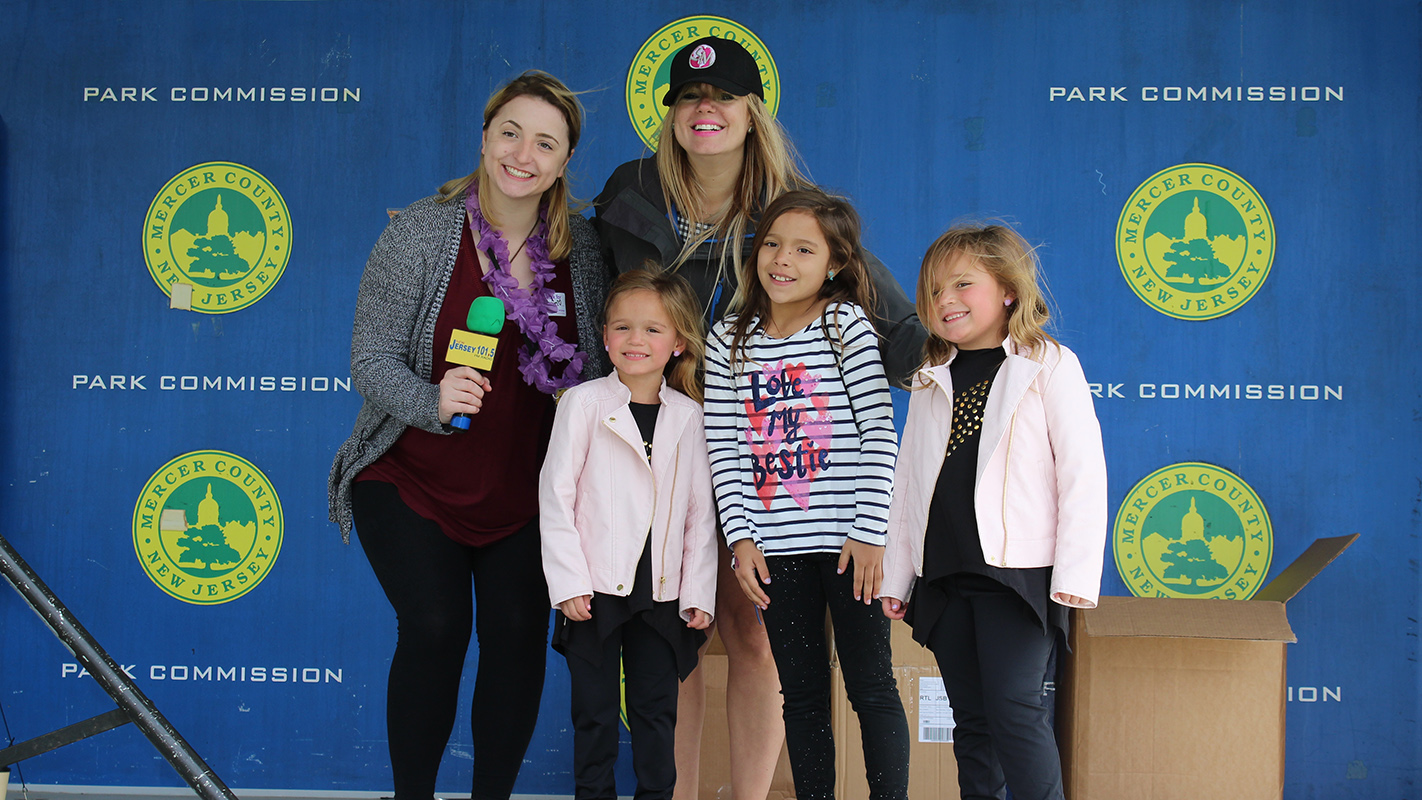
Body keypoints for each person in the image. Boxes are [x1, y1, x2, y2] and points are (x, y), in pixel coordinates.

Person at [593, 36, 927, 798]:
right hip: (660, 446)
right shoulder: (629, 191)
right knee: (669, 629)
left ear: (752, 112)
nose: (704, 110)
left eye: (724, 98)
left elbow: (900, 334)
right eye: (689, 98)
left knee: (754, 631)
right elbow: (595, 313)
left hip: (768, 455)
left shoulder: (787, 205)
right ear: (671, 112)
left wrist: (965, 360)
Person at [327, 70, 609, 800]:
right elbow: (370, 357)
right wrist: (429, 397)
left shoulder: (585, 250)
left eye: (545, 142)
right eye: (510, 132)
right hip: (412, 474)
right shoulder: (421, 230)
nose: (524, 153)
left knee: (517, 641)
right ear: (485, 139)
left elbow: (602, 368)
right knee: (435, 626)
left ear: (563, 160)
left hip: (525, 489)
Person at [880, 222, 1108, 800]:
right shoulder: (931, 378)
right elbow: (909, 485)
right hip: (947, 574)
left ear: (1008, 289)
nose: (945, 301)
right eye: (933, 290)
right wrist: (897, 574)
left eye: (963, 284)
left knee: (1014, 714)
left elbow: (1082, 474)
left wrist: (1076, 576)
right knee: (973, 723)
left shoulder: (1049, 364)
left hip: (1016, 576)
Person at [705, 189, 911, 800]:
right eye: (771, 244)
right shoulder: (727, 340)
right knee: (800, 693)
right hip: (775, 551)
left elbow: (879, 432)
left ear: (837, 264)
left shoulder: (844, 323)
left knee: (871, 685)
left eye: (803, 249)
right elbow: (725, 448)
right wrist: (740, 536)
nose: (781, 260)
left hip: (851, 546)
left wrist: (870, 531)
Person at [540, 268, 719, 800]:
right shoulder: (583, 404)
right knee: (593, 717)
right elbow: (557, 498)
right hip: (594, 591)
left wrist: (698, 593)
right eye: (622, 327)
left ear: (679, 343)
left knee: (655, 716)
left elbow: (698, 517)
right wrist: (569, 582)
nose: (636, 340)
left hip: (661, 595)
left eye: (653, 330)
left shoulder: (690, 416)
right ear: (604, 336)